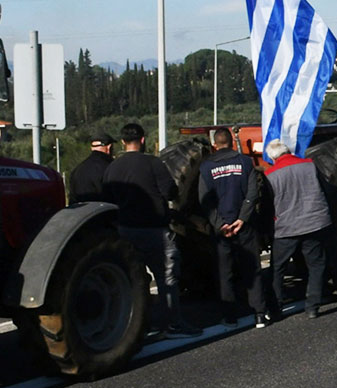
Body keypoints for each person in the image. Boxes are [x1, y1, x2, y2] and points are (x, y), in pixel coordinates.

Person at [103, 123, 197, 336]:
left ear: (122, 142)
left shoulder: (112, 168)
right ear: (143, 140)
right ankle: (173, 323)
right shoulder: (153, 163)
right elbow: (170, 192)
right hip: (154, 229)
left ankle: (141, 326)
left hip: (125, 230)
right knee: (166, 278)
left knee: (133, 281)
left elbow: (107, 199)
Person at [196, 128, 271, 327]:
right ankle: (259, 313)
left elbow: (204, 200)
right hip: (245, 226)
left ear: (215, 145)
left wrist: (220, 224)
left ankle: (230, 317)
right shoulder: (245, 162)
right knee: (252, 269)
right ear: (231, 142)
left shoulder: (206, 168)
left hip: (222, 229)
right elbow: (253, 194)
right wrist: (242, 219)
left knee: (225, 273)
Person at [265, 138, 335, 319]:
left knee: (277, 268)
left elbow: (268, 205)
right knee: (316, 265)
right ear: (288, 151)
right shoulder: (310, 165)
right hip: (314, 223)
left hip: (286, 227)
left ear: (273, 158)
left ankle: (276, 307)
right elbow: (326, 189)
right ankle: (312, 307)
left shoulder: (270, 174)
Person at [67, 133, 113, 204]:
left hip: (81, 209)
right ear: (109, 147)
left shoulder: (78, 169)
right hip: (103, 208)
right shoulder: (110, 167)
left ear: (91, 148)